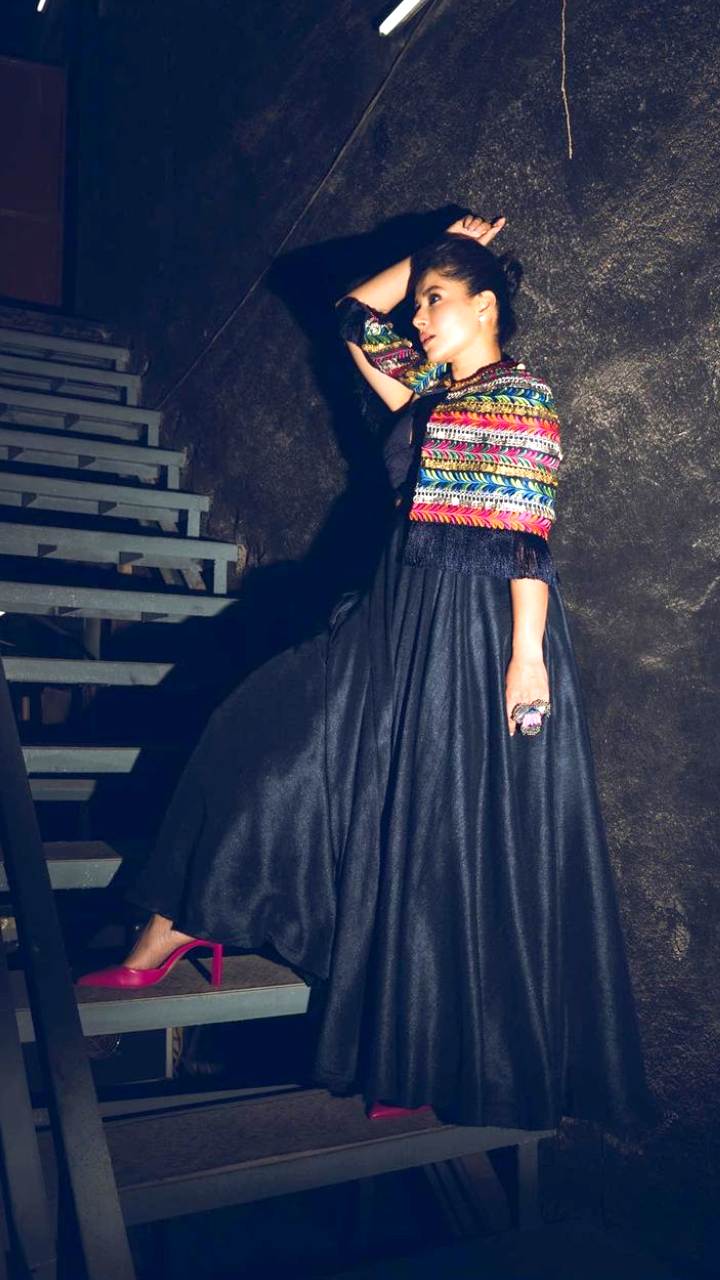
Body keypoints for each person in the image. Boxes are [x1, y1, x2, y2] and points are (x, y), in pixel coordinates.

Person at [78, 213, 659, 1134]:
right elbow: (351, 313)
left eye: (437, 300)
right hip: (392, 612)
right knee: (262, 739)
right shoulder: (425, 394)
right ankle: (178, 924)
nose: (419, 317)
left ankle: (415, 1049)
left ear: (486, 307)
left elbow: (526, 540)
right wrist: (429, 249)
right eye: (419, 303)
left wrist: (525, 659)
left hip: (476, 630)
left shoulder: (521, 397)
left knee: (440, 829)